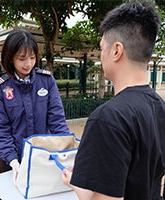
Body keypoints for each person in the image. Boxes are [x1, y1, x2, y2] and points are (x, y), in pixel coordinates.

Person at [62, 2, 165, 200]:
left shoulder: (108, 118)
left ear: (116, 50)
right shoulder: (160, 107)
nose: (101, 56)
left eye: (102, 48)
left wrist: (75, 186)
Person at [0, 29, 69, 183]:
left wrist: (66, 150)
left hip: (42, 156)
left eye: (32, 57)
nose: (28, 64)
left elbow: (57, 121)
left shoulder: (46, 81)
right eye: (22, 58)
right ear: (11, 57)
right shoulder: (0, 88)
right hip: (11, 160)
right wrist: (12, 160)